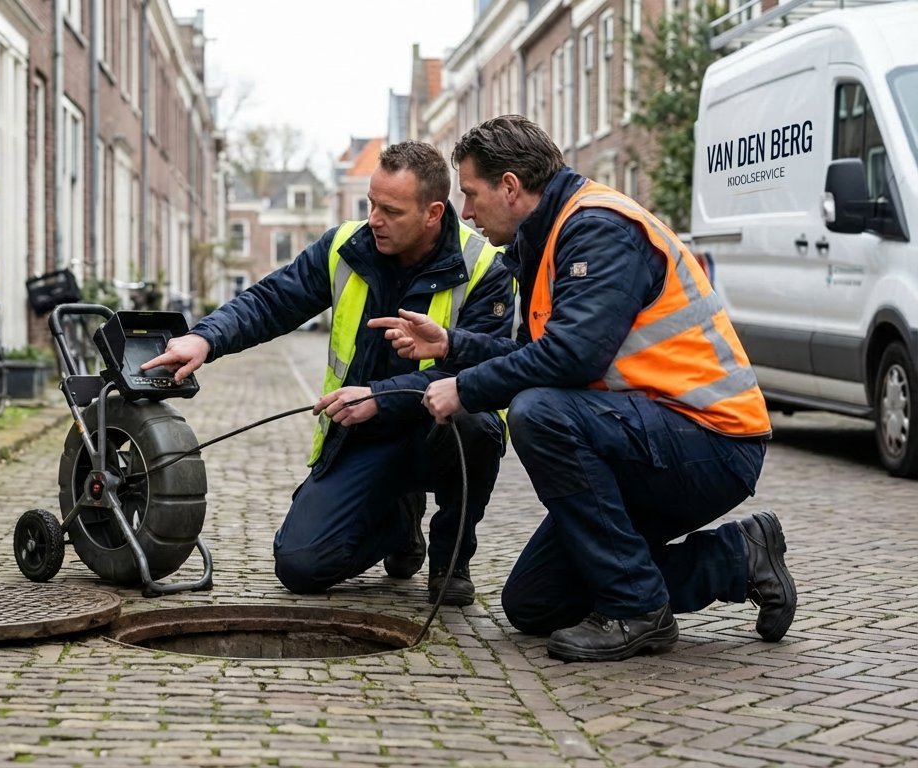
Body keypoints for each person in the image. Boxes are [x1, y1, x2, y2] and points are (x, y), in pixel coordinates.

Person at [370, 116, 797, 661]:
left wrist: (464, 389)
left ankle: (638, 611)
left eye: (472, 195)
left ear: (510, 187)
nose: (467, 213)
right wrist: (451, 344)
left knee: (538, 413)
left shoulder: (599, 228)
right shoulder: (547, 240)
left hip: (709, 441)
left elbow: (571, 358)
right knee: (534, 605)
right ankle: (738, 558)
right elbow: (540, 355)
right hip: (643, 438)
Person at [142, 141, 515, 605]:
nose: (374, 219)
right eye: (371, 204)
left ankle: (451, 559)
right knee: (300, 565)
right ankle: (400, 523)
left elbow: (484, 367)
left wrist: (383, 394)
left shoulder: (484, 269)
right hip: (362, 437)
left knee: (474, 422)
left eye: (391, 210)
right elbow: (273, 300)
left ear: (433, 213)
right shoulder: (346, 246)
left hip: (440, 431)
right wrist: (206, 338)